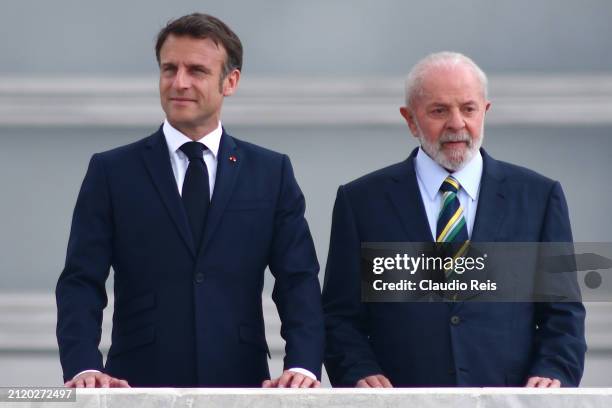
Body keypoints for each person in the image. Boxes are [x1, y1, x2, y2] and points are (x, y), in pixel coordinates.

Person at [56, 13, 323, 388]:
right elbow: (81, 281)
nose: (179, 83)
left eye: (196, 70)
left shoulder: (270, 172)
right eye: (169, 69)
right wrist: (84, 367)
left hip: (240, 383)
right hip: (136, 385)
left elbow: (298, 281)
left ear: (230, 81)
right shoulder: (112, 171)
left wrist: (304, 366)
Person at [322, 52, 586, 387]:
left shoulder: (538, 197)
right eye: (439, 110)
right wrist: (357, 371)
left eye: (468, 108)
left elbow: (563, 313)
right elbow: (340, 316)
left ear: (485, 112)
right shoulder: (361, 201)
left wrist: (553, 371)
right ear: (410, 119)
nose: (457, 123)